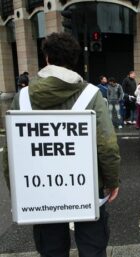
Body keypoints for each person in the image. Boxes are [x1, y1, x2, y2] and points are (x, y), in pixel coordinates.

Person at [2, 32, 120, 257]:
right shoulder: (91, 94)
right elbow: (107, 145)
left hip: (42, 192)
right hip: (87, 187)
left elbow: (10, 154)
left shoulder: (23, 98)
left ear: (46, 58)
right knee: (93, 248)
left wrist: (18, 191)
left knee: (52, 250)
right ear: (74, 60)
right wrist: (112, 180)